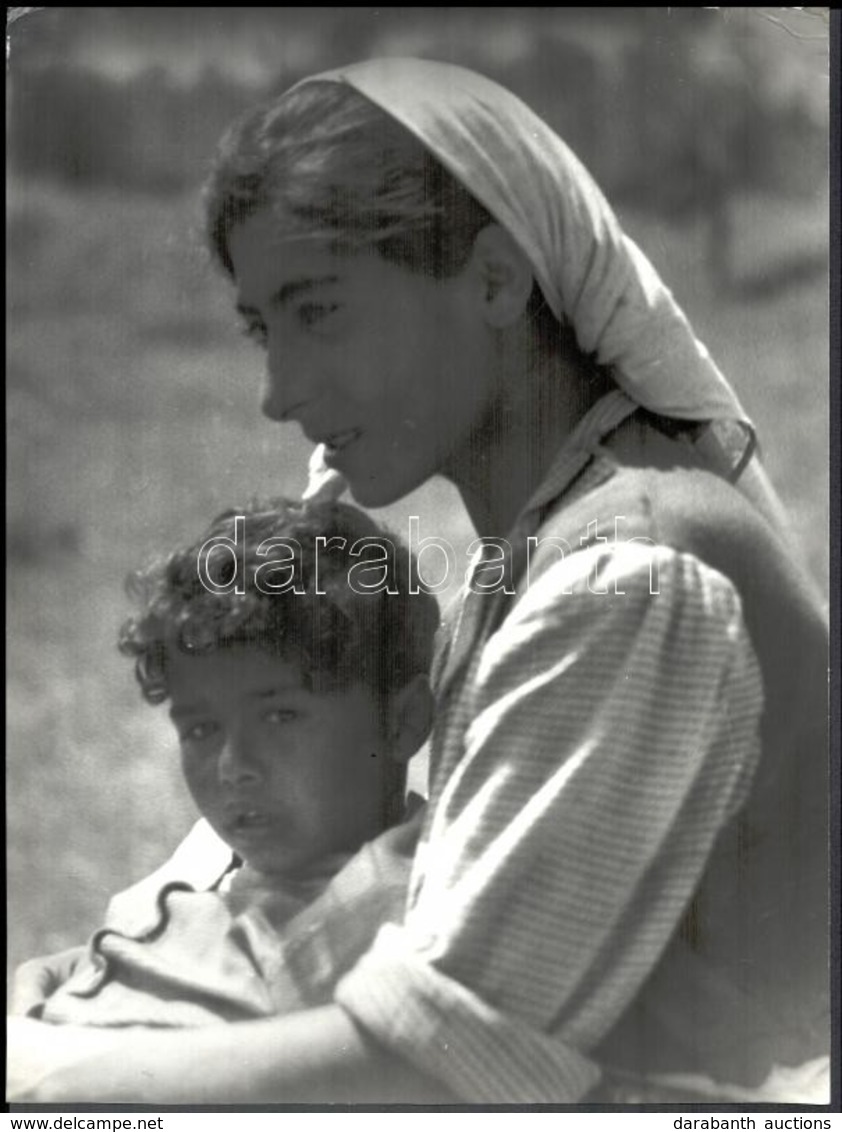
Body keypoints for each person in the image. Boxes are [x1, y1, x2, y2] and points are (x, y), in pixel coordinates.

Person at [11, 57, 829, 1105]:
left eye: (320, 312)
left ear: (493, 279)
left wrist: (55, 1075)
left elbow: (443, 1055)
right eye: (265, 329)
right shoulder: (538, 547)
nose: (275, 393)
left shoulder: (633, 573)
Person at [8, 497, 437, 1087]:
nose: (233, 766)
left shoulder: (398, 900)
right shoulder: (226, 844)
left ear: (402, 720)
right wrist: (61, 976)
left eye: (281, 717)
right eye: (201, 730)